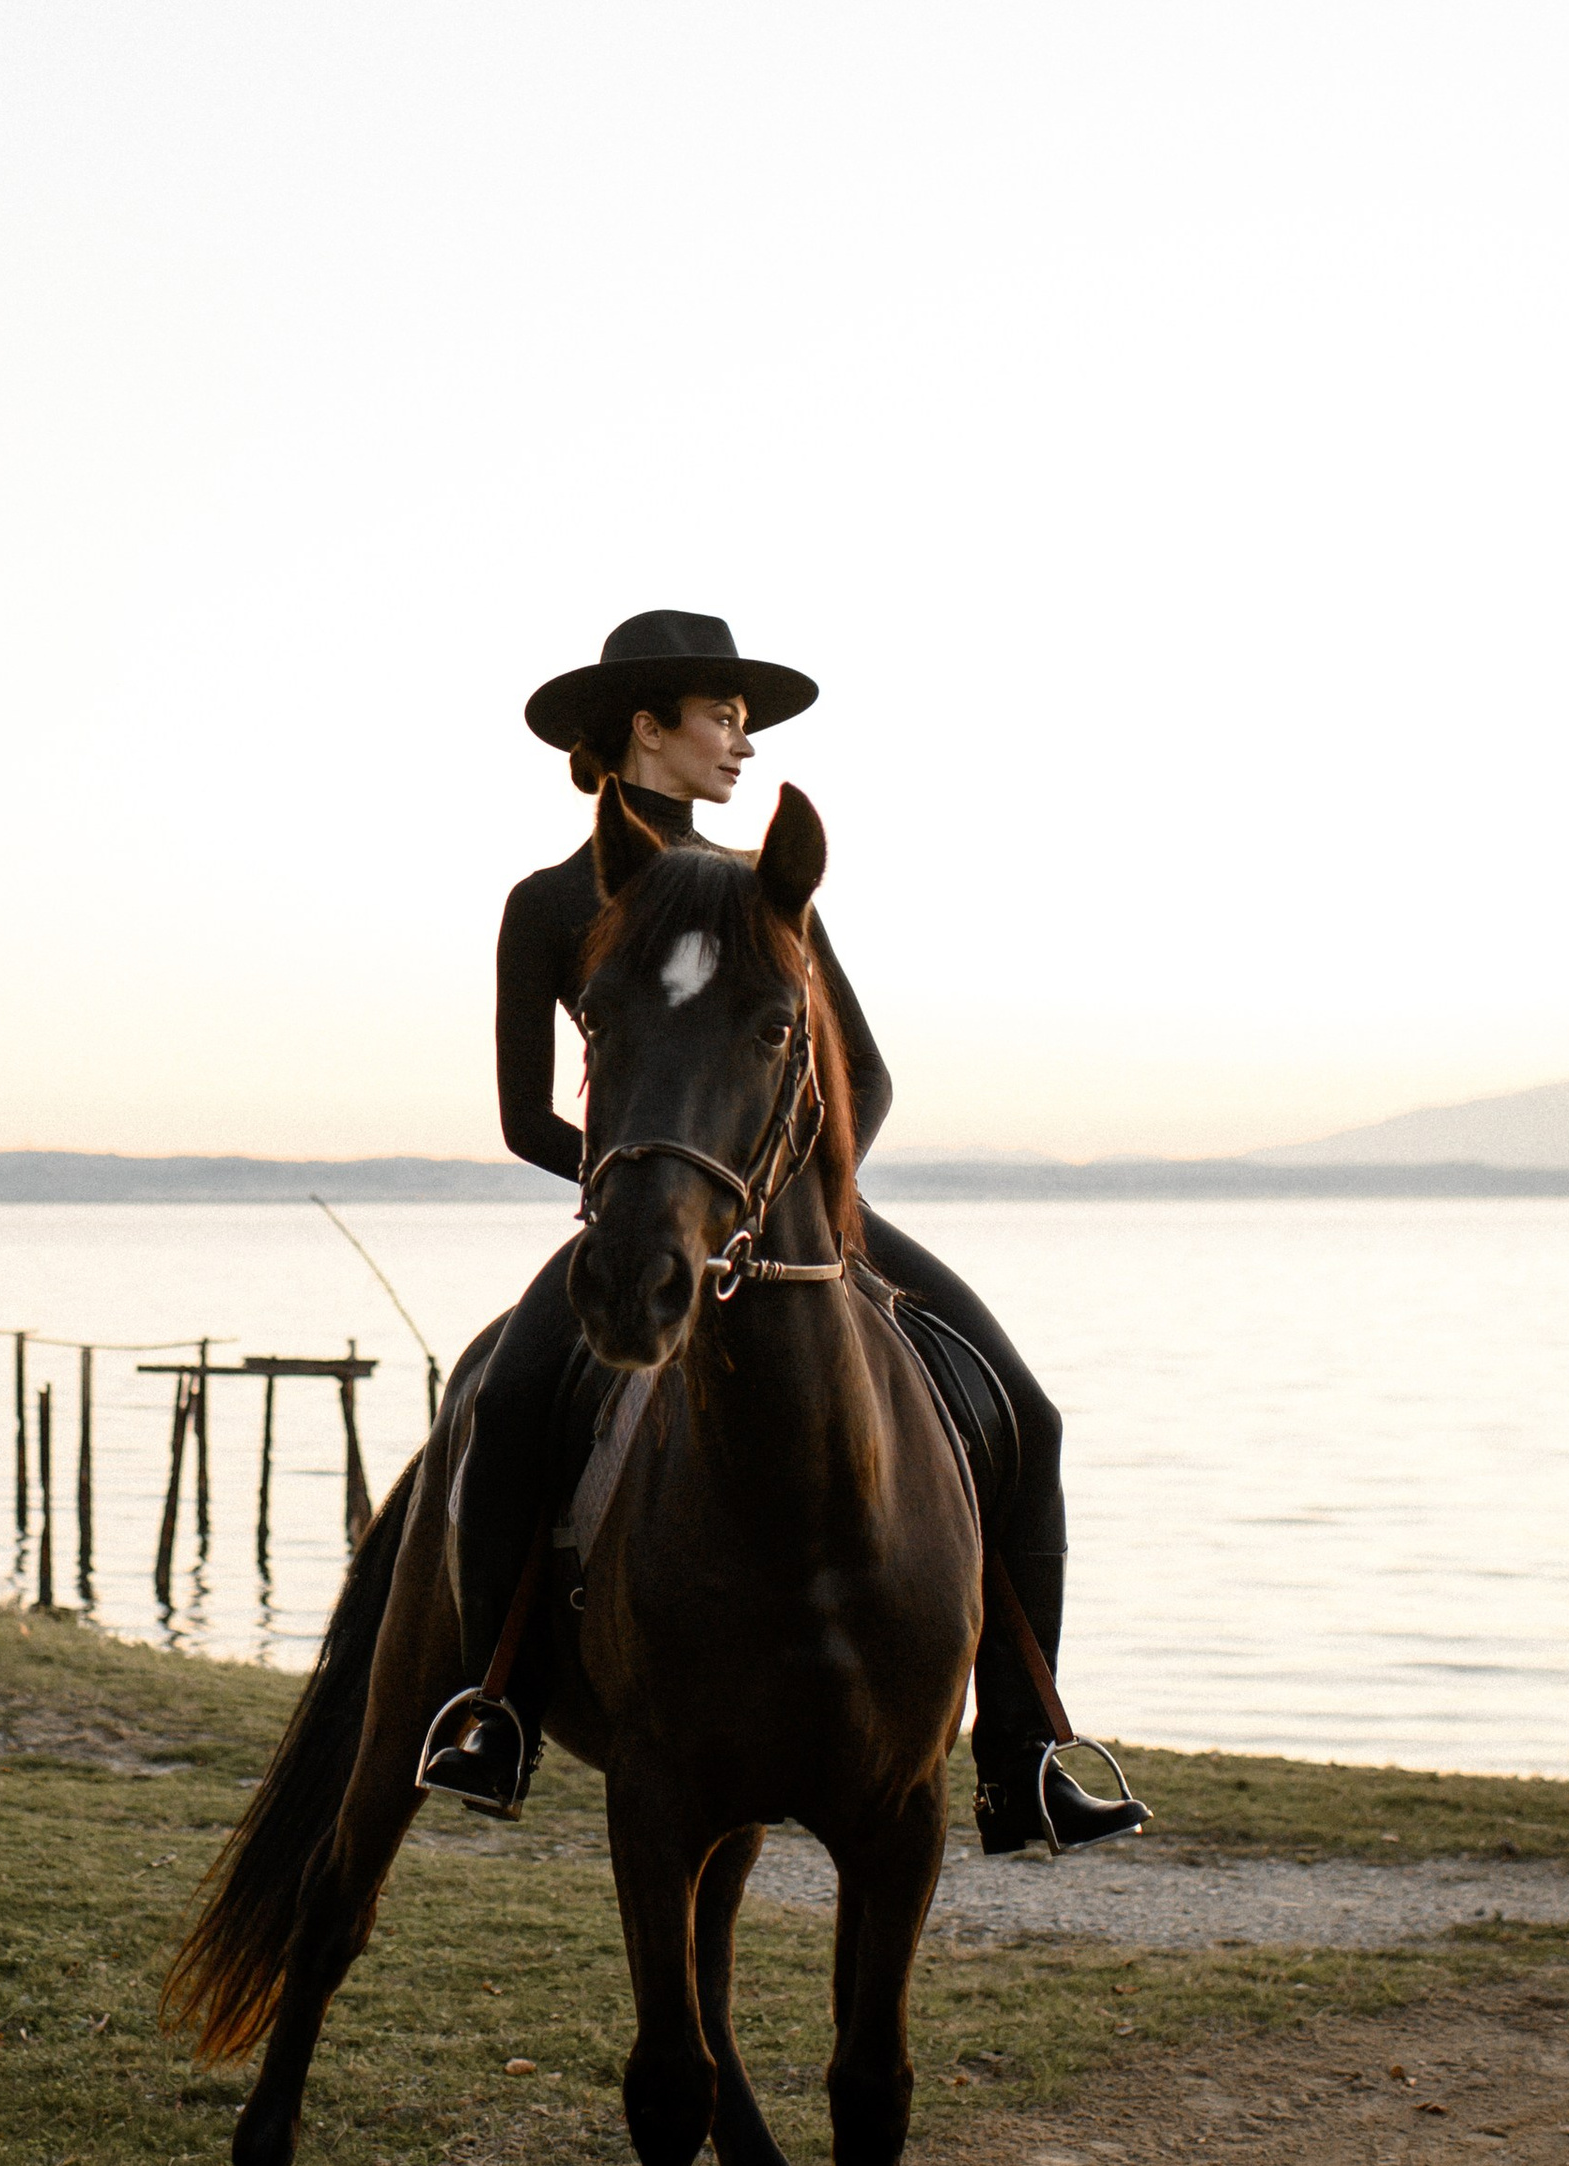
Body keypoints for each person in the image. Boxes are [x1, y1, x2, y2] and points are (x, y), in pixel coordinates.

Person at [417, 606, 1149, 1855]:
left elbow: (862, 1069)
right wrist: (644, 1193)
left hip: (792, 1214)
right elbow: (521, 1116)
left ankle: (1022, 1751)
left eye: (746, 723)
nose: (739, 742)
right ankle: (492, 1711)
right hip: (642, 1216)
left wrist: (778, 1202)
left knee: (1026, 1408)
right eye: (721, 716)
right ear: (646, 727)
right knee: (506, 1398)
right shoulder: (548, 901)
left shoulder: (768, 893)